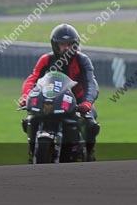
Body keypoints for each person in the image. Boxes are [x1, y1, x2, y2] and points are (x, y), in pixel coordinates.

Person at [20, 24, 100, 161]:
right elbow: (32, 79)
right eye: (62, 44)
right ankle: (32, 151)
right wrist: (26, 96)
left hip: (78, 101)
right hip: (51, 99)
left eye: (70, 44)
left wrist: (87, 102)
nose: (66, 47)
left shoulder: (83, 60)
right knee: (30, 119)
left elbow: (91, 83)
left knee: (91, 123)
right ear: (55, 45)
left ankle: (89, 153)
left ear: (76, 44)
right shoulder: (46, 59)